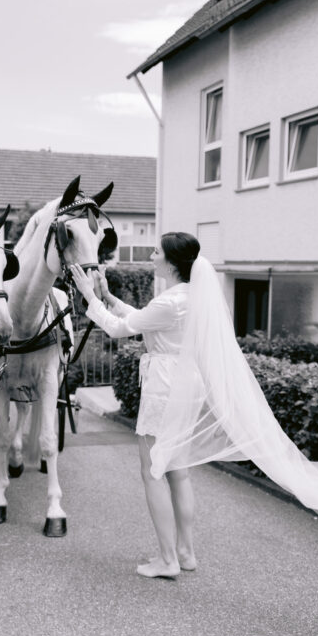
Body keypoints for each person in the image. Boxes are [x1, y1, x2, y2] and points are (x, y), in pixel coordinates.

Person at [69, 232, 200, 578]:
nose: (151, 254)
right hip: (187, 383)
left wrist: (87, 297)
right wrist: (109, 297)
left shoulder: (168, 302)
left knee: (153, 472)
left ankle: (167, 559)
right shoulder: (188, 297)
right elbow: (143, 319)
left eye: (156, 251)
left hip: (164, 387)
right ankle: (186, 553)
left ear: (170, 262)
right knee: (179, 472)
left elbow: (118, 330)